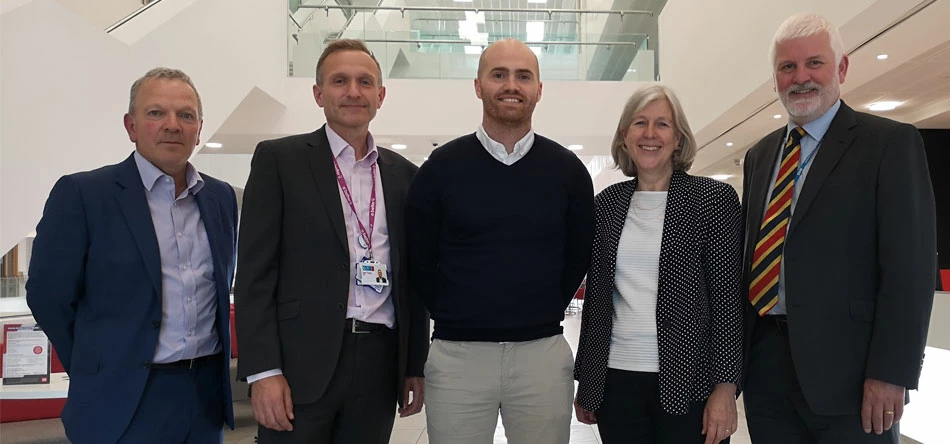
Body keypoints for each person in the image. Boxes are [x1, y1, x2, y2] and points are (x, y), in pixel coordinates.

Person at [741, 12, 936, 444]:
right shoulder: (759, 156)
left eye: (814, 63)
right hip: (766, 369)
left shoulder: (888, 143)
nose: (800, 77)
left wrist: (891, 371)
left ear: (842, 68)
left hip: (852, 377)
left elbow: (911, 268)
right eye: (787, 67)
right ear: (774, 77)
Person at [26, 67, 238, 443]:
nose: (173, 125)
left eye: (185, 115)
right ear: (131, 126)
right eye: (156, 113)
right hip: (122, 398)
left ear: (199, 128)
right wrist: (96, 365)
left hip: (203, 397)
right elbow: (47, 294)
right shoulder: (84, 195)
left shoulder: (220, 198)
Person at [234, 39, 428, 444]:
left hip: (379, 362)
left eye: (364, 82)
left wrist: (414, 365)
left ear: (381, 95)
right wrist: (264, 371)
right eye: (340, 81)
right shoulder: (279, 160)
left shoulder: (405, 176)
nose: (353, 92)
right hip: (300, 364)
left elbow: (412, 281)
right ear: (319, 93)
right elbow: (254, 274)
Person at [406, 38, 594, 444]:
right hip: (458, 356)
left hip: (541, 353)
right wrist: (454, 310)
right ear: (478, 86)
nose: (512, 85)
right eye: (499, 75)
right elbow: (418, 256)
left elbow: (578, 253)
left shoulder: (568, 171)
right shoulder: (441, 169)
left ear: (539, 90)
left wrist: (538, 307)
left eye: (523, 76)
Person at [572, 85, 743, 444]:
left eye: (662, 124)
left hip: (692, 383)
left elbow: (728, 302)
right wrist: (587, 383)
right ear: (624, 135)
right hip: (616, 381)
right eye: (640, 123)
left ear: (678, 138)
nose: (650, 134)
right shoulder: (606, 204)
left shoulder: (712, 200)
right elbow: (598, 301)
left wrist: (726, 387)